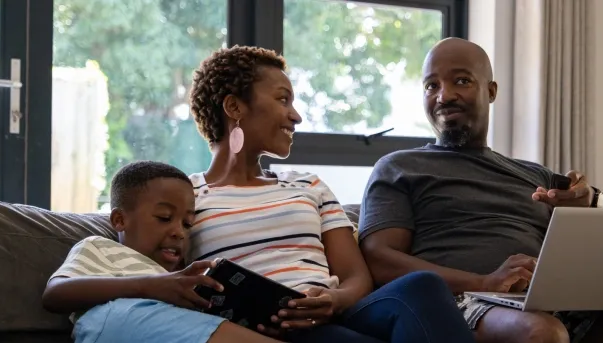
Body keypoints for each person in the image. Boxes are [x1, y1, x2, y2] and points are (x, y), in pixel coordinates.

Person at [357, 37, 603, 343]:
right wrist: (484, 281)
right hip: (462, 302)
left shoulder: (535, 174)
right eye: (431, 85)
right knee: (542, 333)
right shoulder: (400, 166)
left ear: (491, 91)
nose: (444, 95)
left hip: (559, 305)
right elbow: (380, 259)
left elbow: (585, 243)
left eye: (461, 81)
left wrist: (587, 203)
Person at [185, 45, 475, 343]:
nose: (295, 116)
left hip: (335, 314)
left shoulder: (308, 186)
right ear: (234, 108)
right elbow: (170, 279)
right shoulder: (185, 196)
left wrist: (333, 300)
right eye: (282, 100)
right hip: (263, 328)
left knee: (423, 286)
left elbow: (356, 277)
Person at [42, 161, 282, 343]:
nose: (179, 232)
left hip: (178, 331)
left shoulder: (181, 275)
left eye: (187, 224)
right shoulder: (100, 247)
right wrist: (149, 286)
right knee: (125, 314)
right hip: (115, 322)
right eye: (164, 218)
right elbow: (55, 295)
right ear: (119, 220)